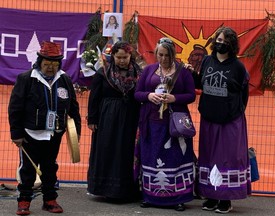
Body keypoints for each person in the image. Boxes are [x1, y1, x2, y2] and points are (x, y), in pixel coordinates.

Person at [8, 41, 81, 215]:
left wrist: (75, 131)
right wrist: (16, 133)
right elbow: (15, 108)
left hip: (54, 134)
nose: (50, 67)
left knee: (50, 168)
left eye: (54, 64)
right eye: (47, 64)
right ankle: (24, 201)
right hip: (29, 134)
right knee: (27, 169)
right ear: (39, 62)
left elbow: (73, 107)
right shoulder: (26, 79)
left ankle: (50, 200)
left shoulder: (64, 79)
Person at [191, 26, 251, 214]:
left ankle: (225, 198)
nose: (220, 43)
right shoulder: (207, 60)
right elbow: (200, 84)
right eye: (218, 40)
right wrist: (191, 74)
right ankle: (210, 195)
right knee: (208, 156)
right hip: (209, 117)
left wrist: (234, 111)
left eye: (225, 41)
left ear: (232, 44)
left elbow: (244, 94)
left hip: (230, 120)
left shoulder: (238, 67)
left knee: (227, 158)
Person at [134, 37, 196, 211]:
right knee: (151, 156)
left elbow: (191, 95)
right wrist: (149, 96)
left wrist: (174, 98)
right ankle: (149, 196)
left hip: (174, 124)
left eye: (166, 55)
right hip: (151, 122)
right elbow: (137, 93)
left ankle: (178, 198)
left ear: (173, 54)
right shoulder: (149, 70)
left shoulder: (183, 72)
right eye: (159, 55)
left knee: (175, 157)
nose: (162, 59)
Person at [87, 41, 142, 201]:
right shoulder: (103, 72)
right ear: (113, 56)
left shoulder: (139, 73)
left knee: (127, 151)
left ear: (130, 56)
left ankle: (127, 189)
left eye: (125, 57)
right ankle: (106, 189)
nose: (122, 60)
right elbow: (94, 97)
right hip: (108, 118)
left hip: (131, 117)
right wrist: (92, 119)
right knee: (108, 149)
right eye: (118, 57)